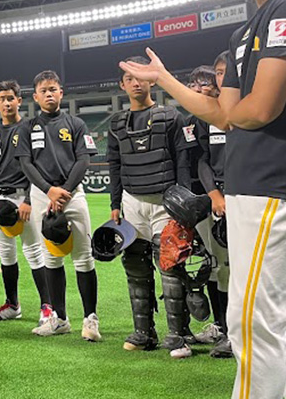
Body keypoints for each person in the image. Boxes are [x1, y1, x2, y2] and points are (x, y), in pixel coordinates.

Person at [120, 0, 286, 398]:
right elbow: (223, 113)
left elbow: (258, 109)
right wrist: (167, 81)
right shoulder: (247, 31)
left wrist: (238, 111)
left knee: (251, 323)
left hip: (277, 187)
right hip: (255, 189)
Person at [107, 56, 197, 358]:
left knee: (171, 268)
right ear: (122, 85)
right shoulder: (116, 123)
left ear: (150, 79)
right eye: (129, 78)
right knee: (135, 267)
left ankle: (178, 334)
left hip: (165, 202)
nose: (135, 82)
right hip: (132, 202)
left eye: (140, 77)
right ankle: (143, 332)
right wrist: (115, 204)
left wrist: (182, 202)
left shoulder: (171, 117)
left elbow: (183, 159)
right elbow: (114, 165)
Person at [16, 71, 101, 341]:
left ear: (61, 93)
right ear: (36, 96)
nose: (49, 94)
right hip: (43, 195)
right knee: (51, 258)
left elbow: (84, 160)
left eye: (53, 89)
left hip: (72, 194)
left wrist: (63, 190)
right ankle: (60, 319)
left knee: (84, 257)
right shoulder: (27, 127)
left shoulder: (76, 124)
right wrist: (49, 190)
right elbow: (26, 164)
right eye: (44, 90)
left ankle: (90, 319)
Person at [0, 80, 52, 323]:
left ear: (19, 101)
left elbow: (38, 166)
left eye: (11, 98)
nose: (7, 102)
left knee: (34, 252)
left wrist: (30, 199)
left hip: (25, 198)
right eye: (2, 99)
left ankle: (47, 307)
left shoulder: (31, 127)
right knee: (6, 254)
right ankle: (12, 305)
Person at [184, 63, 232, 359]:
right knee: (216, 266)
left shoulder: (235, 108)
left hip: (242, 194)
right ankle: (222, 327)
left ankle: (237, 330)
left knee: (237, 267)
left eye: (205, 81)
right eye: (193, 83)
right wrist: (213, 193)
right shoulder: (198, 121)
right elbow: (201, 160)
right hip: (213, 200)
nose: (199, 88)